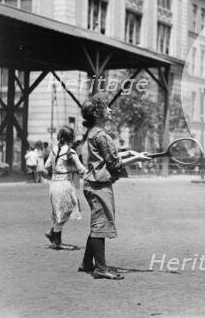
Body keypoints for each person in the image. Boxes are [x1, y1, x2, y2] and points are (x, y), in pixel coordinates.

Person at [78, 95, 149, 280]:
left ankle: (87, 263)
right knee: (100, 224)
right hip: (99, 185)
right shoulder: (102, 135)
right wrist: (137, 158)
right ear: (97, 113)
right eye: (107, 107)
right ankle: (100, 268)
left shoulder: (94, 133)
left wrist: (131, 153)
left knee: (97, 223)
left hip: (92, 184)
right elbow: (115, 164)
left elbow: (110, 157)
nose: (111, 110)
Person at [44, 126, 87, 249]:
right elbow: (81, 169)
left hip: (54, 184)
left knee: (60, 211)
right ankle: (56, 239)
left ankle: (53, 232)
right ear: (71, 138)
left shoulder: (54, 150)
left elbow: (46, 167)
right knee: (69, 209)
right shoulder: (70, 152)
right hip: (65, 184)